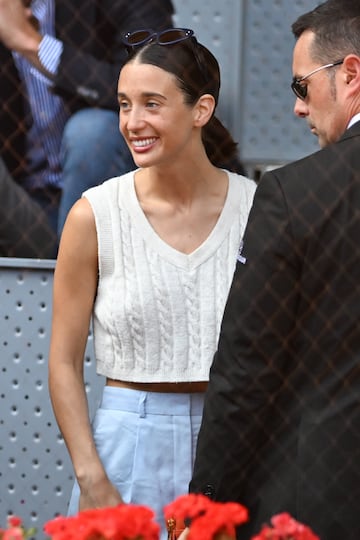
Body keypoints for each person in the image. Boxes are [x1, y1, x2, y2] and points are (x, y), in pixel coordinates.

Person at [48, 27, 256, 539]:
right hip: (125, 443)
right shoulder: (94, 215)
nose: (132, 122)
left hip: (232, 440)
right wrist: (92, 476)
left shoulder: (260, 210)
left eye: (151, 104)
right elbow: (62, 360)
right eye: (124, 104)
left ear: (201, 110)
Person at [188, 1, 360, 539]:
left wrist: (203, 509)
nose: (297, 109)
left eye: (300, 87)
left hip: (323, 500)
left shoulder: (294, 194)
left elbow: (247, 371)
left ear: (350, 75)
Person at [0, 0, 174, 258]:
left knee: (91, 133)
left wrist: (30, 43)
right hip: (26, 208)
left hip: (119, 200)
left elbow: (156, 86)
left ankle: (79, 278)